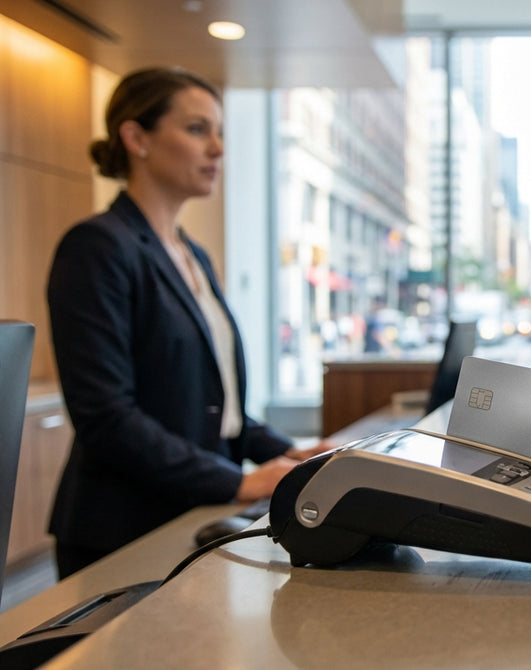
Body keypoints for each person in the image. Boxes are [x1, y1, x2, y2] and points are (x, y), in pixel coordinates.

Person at [47, 67, 327, 578]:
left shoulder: (193, 254)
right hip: (123, 529)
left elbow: (215, 408)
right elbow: (105, 417)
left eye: (219, 132)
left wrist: (291, 454)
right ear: (137, 138)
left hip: (192, 516)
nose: (217, 148)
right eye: (198, 130)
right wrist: (238, 482)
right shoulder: (98, 247)